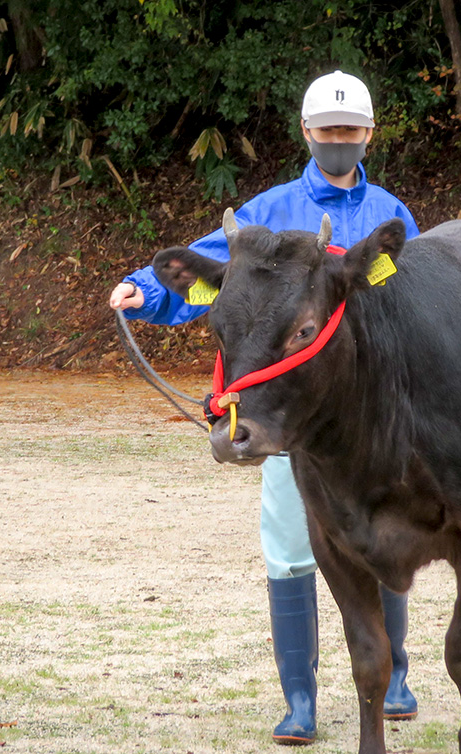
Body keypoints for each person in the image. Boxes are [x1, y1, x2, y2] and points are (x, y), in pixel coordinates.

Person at [110, 70, 420, 744]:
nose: (340, 141)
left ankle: (396, 675)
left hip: (375, 425)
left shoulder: (391, 215)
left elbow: (420, 311)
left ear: (368, 134)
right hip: (288, 419)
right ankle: (300, 699)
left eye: (351, 131)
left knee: (387, 539)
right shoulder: (268, 212)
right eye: (328, 130)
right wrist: (143, 290)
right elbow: (208, 272)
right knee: (289, 548)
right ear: (307, 132)